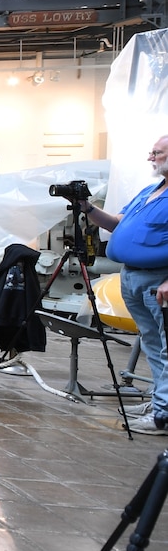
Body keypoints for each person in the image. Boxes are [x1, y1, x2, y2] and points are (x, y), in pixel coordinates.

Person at [80, 136, 168, 431]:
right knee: (153, 345)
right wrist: (86, 207)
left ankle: (164, 415)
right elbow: (116, 222)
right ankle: (161, 401)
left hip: (160, 280)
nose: (150, 158)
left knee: (165, 347)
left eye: (156, 152)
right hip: (134, 276)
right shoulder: (150, 191)